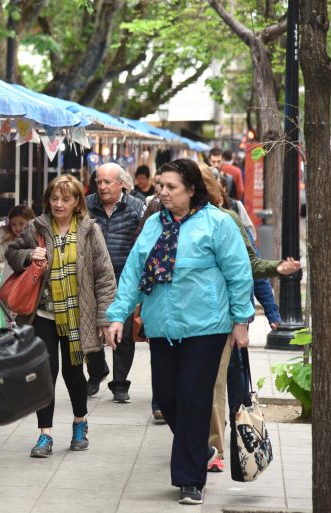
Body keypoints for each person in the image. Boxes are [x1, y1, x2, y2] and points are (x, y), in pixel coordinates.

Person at [106, 158, 254, 506]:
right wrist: (117, 316)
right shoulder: (153, 226)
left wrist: (241, 320)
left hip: (206, 326)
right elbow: (132, 274)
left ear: (191, 189)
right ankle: (199, 449)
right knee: (168, 399)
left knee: (193, 397)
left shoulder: (217, 223)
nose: (163, 192)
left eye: (171, 187)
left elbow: (238, 272)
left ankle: (190, 479)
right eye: (160, 186)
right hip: (162, 327)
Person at [198, 164, 300, 473]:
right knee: (183, 389)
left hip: (219, 317)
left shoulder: (226, 219)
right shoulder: (166, 221)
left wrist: (274, 276)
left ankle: (211, 449)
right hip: (181, 318)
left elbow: (248, 265)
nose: (165, 192)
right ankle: (196, 441)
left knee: (215, 384)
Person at [5, 175, 116, 458]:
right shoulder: (36, 226)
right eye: (54, 198)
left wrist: (105, 318)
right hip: (42, 313)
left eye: (65, 199)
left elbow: (104, 276)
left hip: (78, 315)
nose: (58, 204)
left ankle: (80, 422)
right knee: (46, 371)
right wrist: (31, 254)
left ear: (77, 201)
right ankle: (45, 434)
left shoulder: (90, 230)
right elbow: (12, 252)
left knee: (73, 372)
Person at [84, 163, 145, 403]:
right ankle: (97, 371)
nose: (102, 186)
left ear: (122, 183)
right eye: (99, 182)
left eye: (108, 182)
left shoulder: (136, 207)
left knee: (124, 332)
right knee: (89, 329)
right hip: (92, 277)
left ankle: (120, 383)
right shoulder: (86, 205)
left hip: (124, 279)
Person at [0, 205, 35, 280]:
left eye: (21, 223)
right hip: (10, 289)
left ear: (30, 222)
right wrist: (1, 231)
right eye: (13, 224)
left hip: (29, 288)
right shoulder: (9, 243)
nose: (17, 228)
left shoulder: (37, 242)